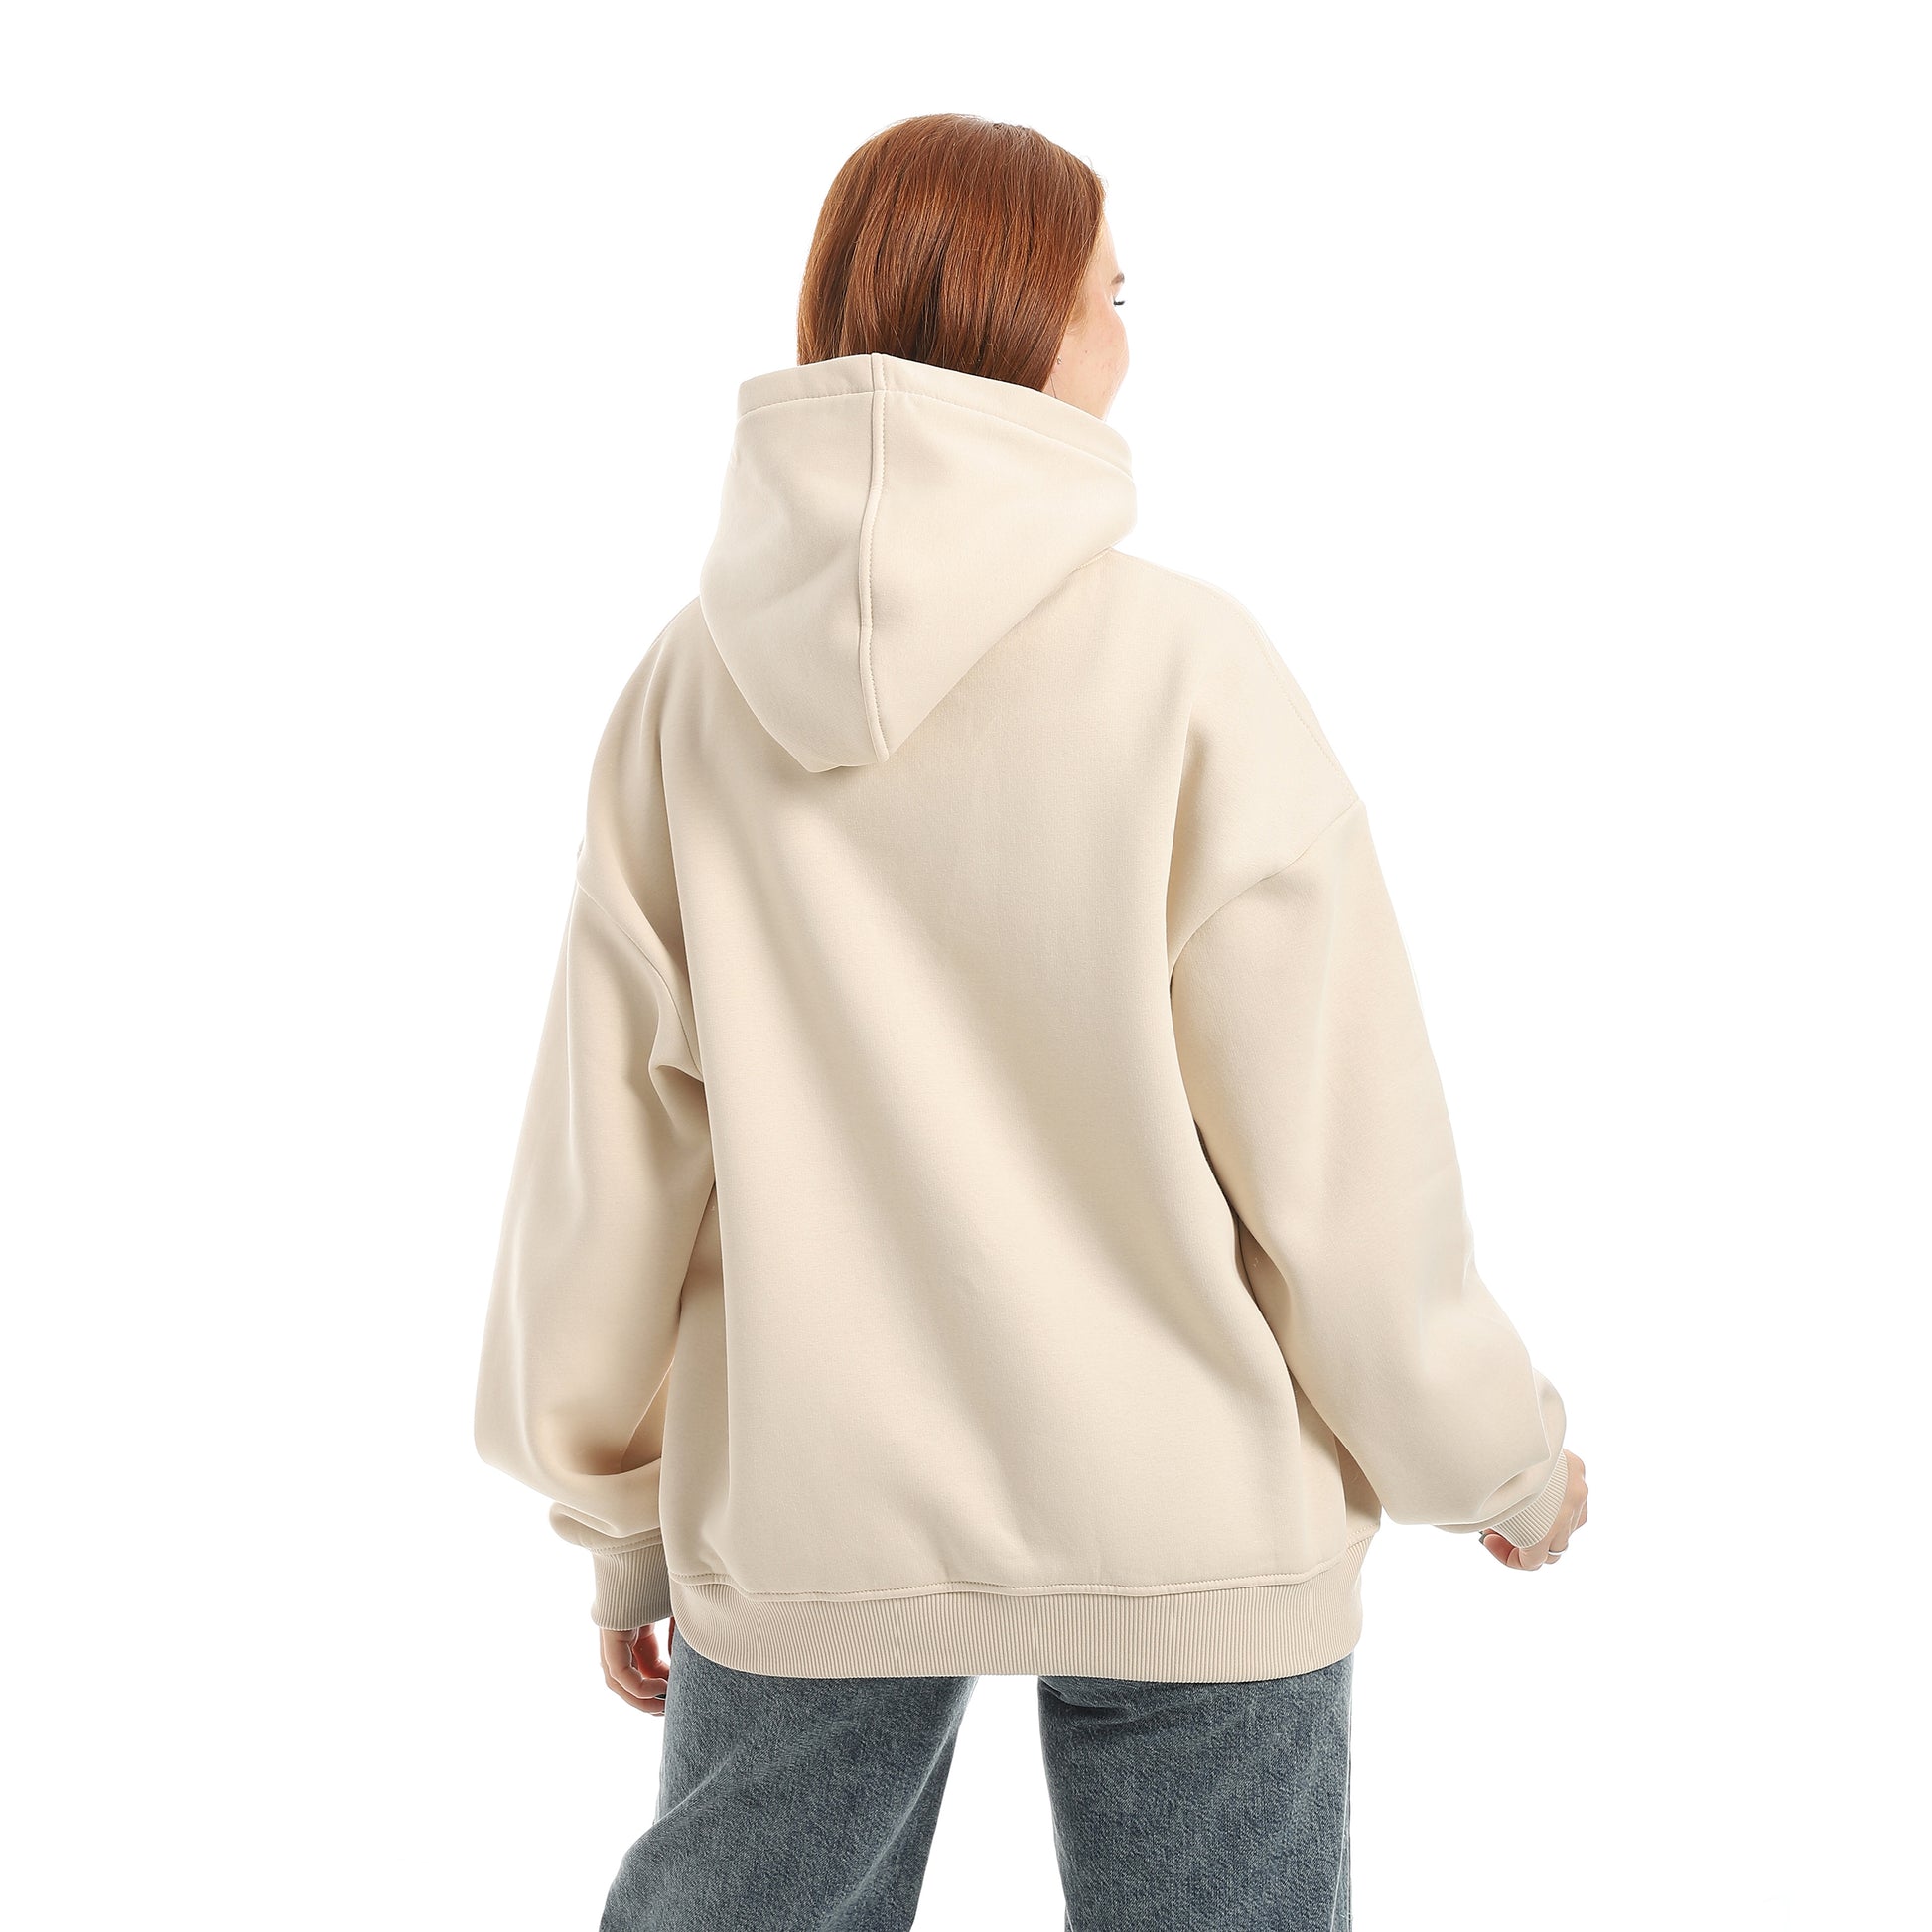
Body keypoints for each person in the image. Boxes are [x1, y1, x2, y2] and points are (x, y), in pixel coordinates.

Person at [474, 111, 1588, 1932]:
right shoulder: (1189, 669)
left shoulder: (692, 689)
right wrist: (1496, 1458)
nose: (1126, 342)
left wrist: (617, 1525)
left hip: (812, 1514)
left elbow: (608, 1160)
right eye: (1112, 296)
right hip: (1195, 1513)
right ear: (1030, 323)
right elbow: (1338, 1159)